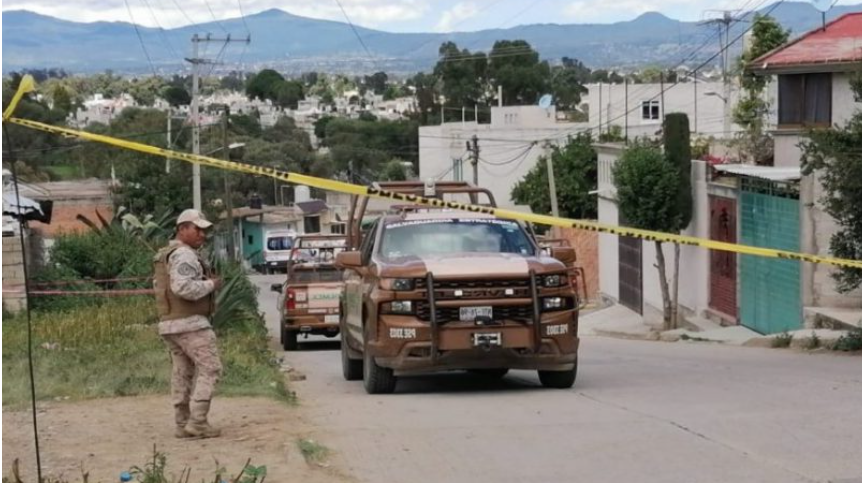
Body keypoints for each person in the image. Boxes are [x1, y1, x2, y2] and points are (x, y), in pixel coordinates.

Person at [153, 209, 223, 439]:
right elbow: (182, 287)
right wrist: (211, 285)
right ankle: (198, 421)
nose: (202, 234)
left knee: (182, 372)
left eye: (204, 230)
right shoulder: (184, 255)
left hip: (170, 324)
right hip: (190, 323)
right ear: (182, 229)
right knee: (211, 368)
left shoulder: (168, 253)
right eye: (197, 229)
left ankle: (182, 423)